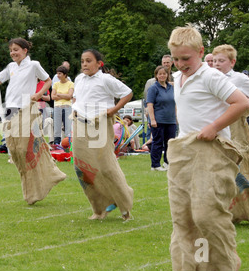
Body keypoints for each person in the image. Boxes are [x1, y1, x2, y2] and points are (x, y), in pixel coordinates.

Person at [167, 25, 249, 271]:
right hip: (182, 152)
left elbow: (242, 103)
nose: (181, 64)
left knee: (206, 214)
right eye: (176, 58)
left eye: (186, 58)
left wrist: (213, 127)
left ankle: (225, 264)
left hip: (211, 152)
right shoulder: (176, 78)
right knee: (183, 218)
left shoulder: (211, 76)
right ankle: (189, 268)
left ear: (201, 52)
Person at [0, 37, 66, 205]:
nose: (13, 53)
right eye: (11, 50)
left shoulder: (34, 65)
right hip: (10, 109)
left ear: (25, 51)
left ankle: (50, 172)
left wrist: (39, 95)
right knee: (15, 151)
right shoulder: (11, 67)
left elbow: (48, 81)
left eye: (16, 49)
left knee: (24, 148)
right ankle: (38, 185)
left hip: (26, 107)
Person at [72, 49, 134, 220]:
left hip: (99, 124)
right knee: (82, 167)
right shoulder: (78, 79)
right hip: (79, 123)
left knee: (106, 167)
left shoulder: (106, 79)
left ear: (99, 64)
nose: (84, 64)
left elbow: (127, 93)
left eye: (89, 61)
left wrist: (113, 110)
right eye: (82, 61)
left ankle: (124, 206)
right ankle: (99, 209)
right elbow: (77, 98)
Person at [212, 44, 249, 228]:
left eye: (222, 61)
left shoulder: (237, 78)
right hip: (219, 125)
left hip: (236, 128)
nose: (217, 64)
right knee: (222, 172)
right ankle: (230, 212)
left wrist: (245, 103)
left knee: (243, 170)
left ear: (232, 62)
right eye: (215, 60)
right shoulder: (211, 78)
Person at [146, 65, 176, 171]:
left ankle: (167, 163)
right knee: (158, 142)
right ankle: (155, 165)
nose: (162, 75)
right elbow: (150, 105)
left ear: (167, 75)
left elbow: (175, 103)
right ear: (156, 75)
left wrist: (176, 117)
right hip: (158, 120)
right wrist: (152, 119)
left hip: (171, 120)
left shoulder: (171, 88)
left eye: (164, 73)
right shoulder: (153, 88)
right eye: (160, 74)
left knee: (170, 143)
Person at [52, 65, 74, 145]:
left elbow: (69, 96)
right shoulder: (56, 84)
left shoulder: (71, 84)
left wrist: (58, 94)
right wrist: (64, 95)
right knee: (57, 128)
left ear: (65, 75)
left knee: (68, 127)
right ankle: (57, 144)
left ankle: (68, 145)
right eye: (57, 73)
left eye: (60, 73)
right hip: (57, 107)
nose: (58, 75)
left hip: (67, 107)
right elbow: (53, 96)